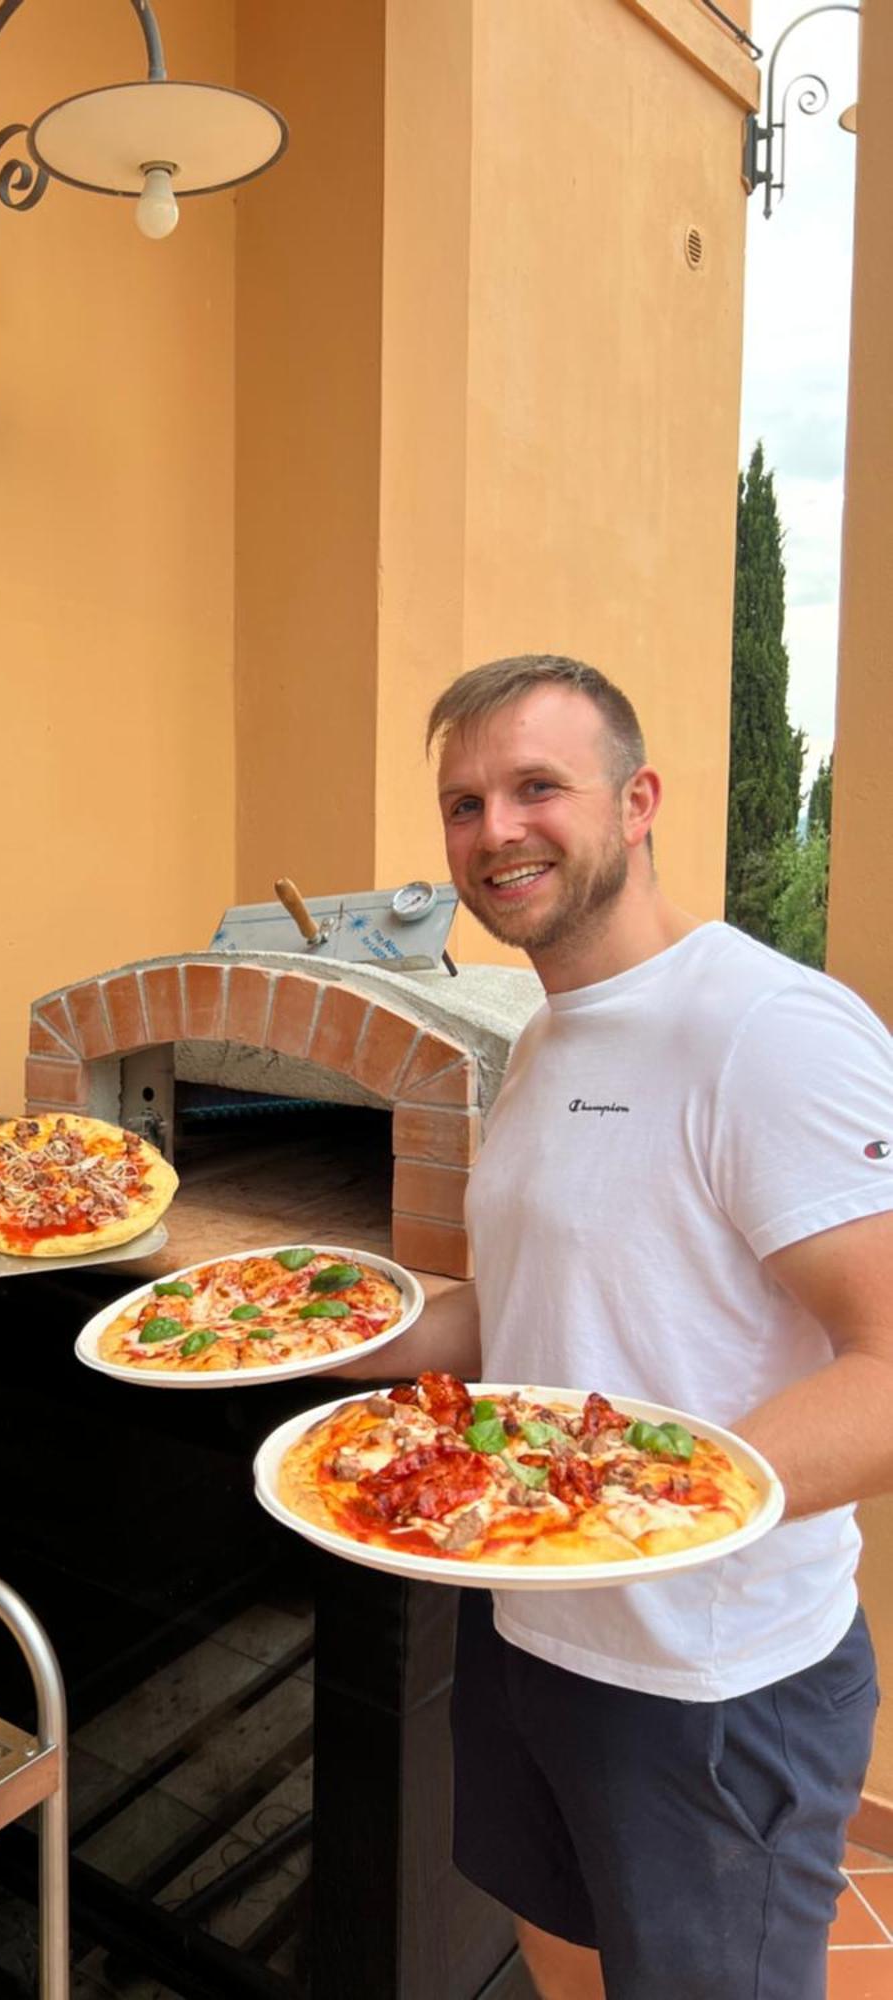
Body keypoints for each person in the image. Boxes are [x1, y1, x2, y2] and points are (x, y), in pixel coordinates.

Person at [344, 653, 893, 1999]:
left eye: (538, 786)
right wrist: (339, 1335)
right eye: (464, 804)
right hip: (528, 1628)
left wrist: (616, 1505)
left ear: (638, 799)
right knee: (561, 1962)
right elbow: (535, 1313)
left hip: (712, 1681)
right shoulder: (543, 1038)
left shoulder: (770, 1030)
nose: (495, 831)